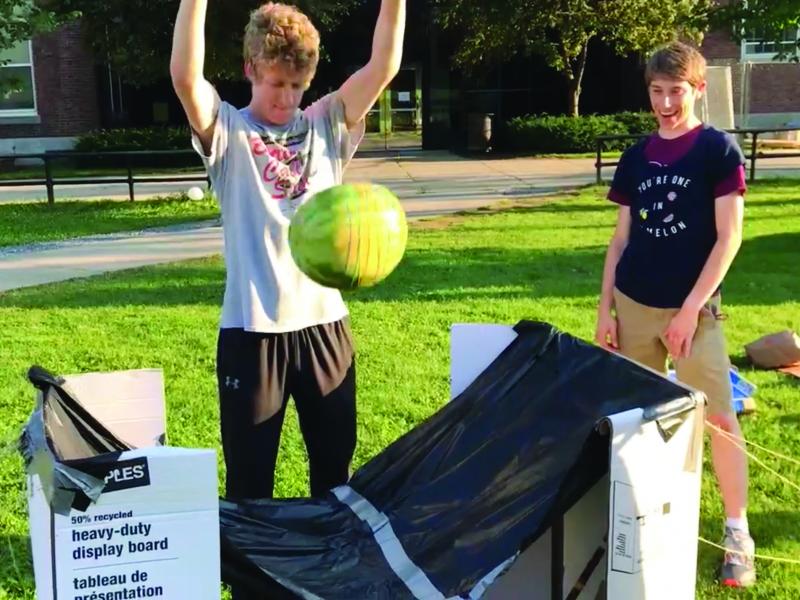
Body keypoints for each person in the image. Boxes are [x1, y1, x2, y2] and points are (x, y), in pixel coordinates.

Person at [169, 0, 405, 502]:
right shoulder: (228, 132)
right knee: (250, 484)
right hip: (252, 333)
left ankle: (326, 578)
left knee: (334, 478)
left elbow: (383, 65)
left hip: (324, 329)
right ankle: (254, 584)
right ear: (250, 69)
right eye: (276, 83)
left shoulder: (325, 122)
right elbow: (185, 77)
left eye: (297, 86)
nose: (286, 97)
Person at [594, 41, 755, 588]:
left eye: (676, 91)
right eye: (656, 92)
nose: (665, 103)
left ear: (698, 89)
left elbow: (729, 238)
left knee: (719, 421)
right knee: (635, 421)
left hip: (694, 313)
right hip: (634, 304)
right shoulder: (637, 156)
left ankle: (738, 535)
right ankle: (636, 524)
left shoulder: (718, 151)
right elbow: (619, 242)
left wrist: (689, 311)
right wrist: (606, 312)